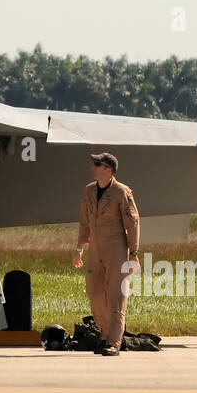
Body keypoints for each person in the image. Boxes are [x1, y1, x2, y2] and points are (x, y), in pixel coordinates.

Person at [72, 152, 140, 356]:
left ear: (108, 169)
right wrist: (79, 249)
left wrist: (133, 253)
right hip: (95, 249)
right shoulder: (89, 191)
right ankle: (104, 335)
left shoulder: (121, 192)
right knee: (94, 293)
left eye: (97, 164)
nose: (92, 167)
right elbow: (84, 223)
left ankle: (114, 342)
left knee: (115, 296)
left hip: (116, 248)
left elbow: (133, 223)